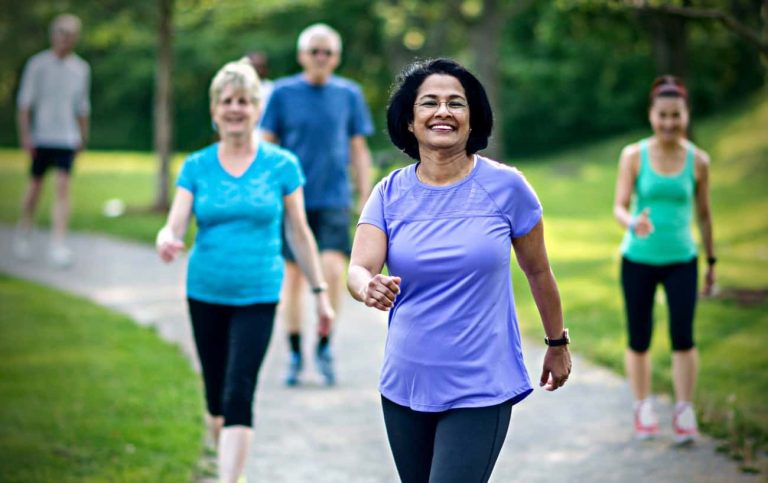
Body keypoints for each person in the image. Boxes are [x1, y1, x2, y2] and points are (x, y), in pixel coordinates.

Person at [347, 58, 572, 483]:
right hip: (405, 383)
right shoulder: (389, 192)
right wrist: (366, 287)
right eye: (429, 103)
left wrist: (557, 343)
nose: (443, 112)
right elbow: (359, 267)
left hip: (480, 382)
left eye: (456, 103)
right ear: (410, 122)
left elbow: (539, 271)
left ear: (473, 120)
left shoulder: (507, 188)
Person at [155, 60, 334, 483]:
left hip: (258, 292)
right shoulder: (197, 166)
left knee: (239, 391)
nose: (235, 109)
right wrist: (167, 236)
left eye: (244, 101)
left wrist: (320, 293)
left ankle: (229, 479)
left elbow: (300, 232)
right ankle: (229, 467)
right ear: (215, 109)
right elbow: (176, 220)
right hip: (205, 291)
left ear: (257, 109)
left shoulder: (282, 165)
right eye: (227, 101)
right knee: (216, 399)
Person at [260, 23, 374, 386]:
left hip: (334, 198)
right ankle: (295, 351)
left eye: (327, 52)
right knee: (292, 278)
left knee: (331, 272)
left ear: (336, 57)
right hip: (292, 201)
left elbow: (358, 148)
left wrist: (366, 196)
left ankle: (324, 343)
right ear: (302, 56)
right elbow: (266, 145)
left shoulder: (349, 94)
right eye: (314, 51)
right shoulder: (281, 93)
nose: (321, 58)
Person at [613, 75, 716, 444]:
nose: (669, 123)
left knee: (683, 337)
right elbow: (619, 206)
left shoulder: (698, 160)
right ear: (651, 115)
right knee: (639, 336)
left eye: (676, 115)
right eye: (663, 115)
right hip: (638, 258)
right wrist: (632, 222)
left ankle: (684, 410)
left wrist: (712, 261)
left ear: (686, 115)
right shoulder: (633, 155)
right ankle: (643, 407)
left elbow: (704, 215)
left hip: (682, 259)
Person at [14, 13, 90, 267]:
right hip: (42, 136)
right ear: (53, 35)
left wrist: (82, 137)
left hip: (67, 138)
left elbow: (82, 107)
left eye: (70, 35)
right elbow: (25, 104)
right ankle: (24, 231)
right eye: (62, 33)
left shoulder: (80, 69)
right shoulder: (38, 65)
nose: (66, 39)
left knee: (62, 188)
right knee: (35, 187)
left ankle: (58, 242)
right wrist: (26, 136)